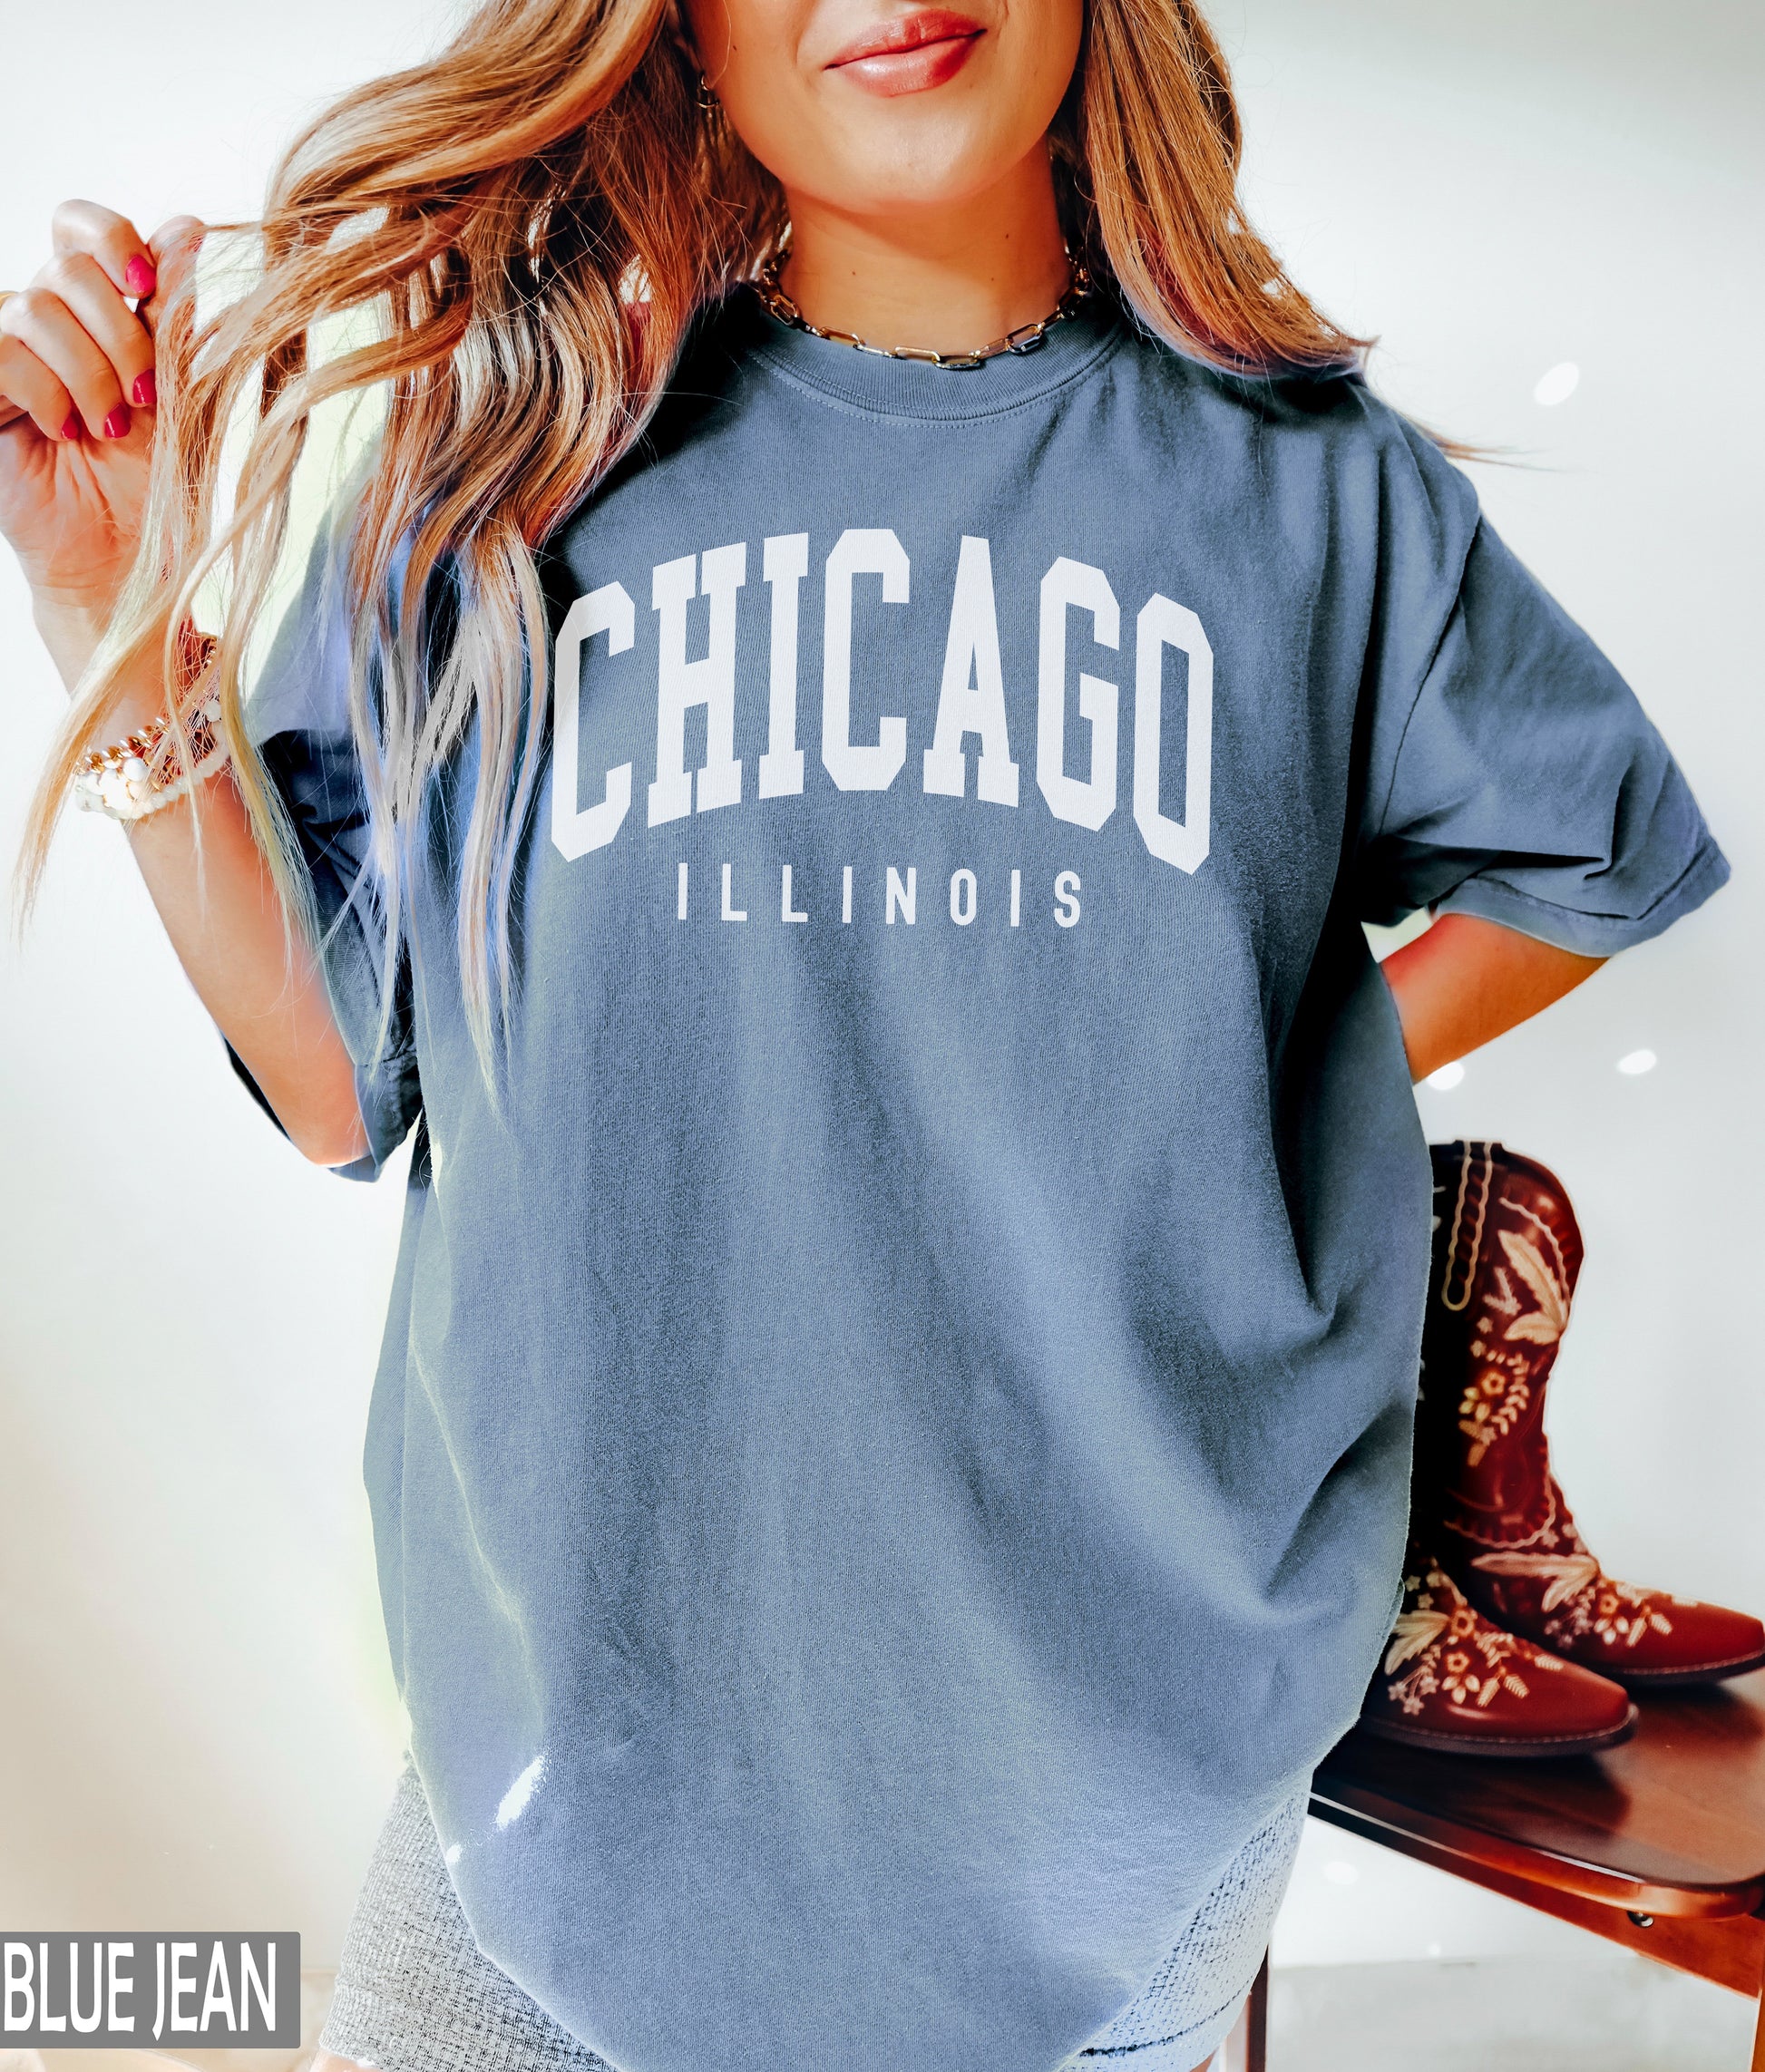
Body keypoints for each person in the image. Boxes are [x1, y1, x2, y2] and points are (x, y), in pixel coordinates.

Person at [0, 0, 1728, 2062]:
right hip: (550, 1817)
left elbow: (1590, 854)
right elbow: (333, 1081)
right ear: (679, 36)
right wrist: (113, 619)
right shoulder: (506, 470)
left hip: (1115, 1819)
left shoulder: (1302, 488)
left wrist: (1259, 1054)